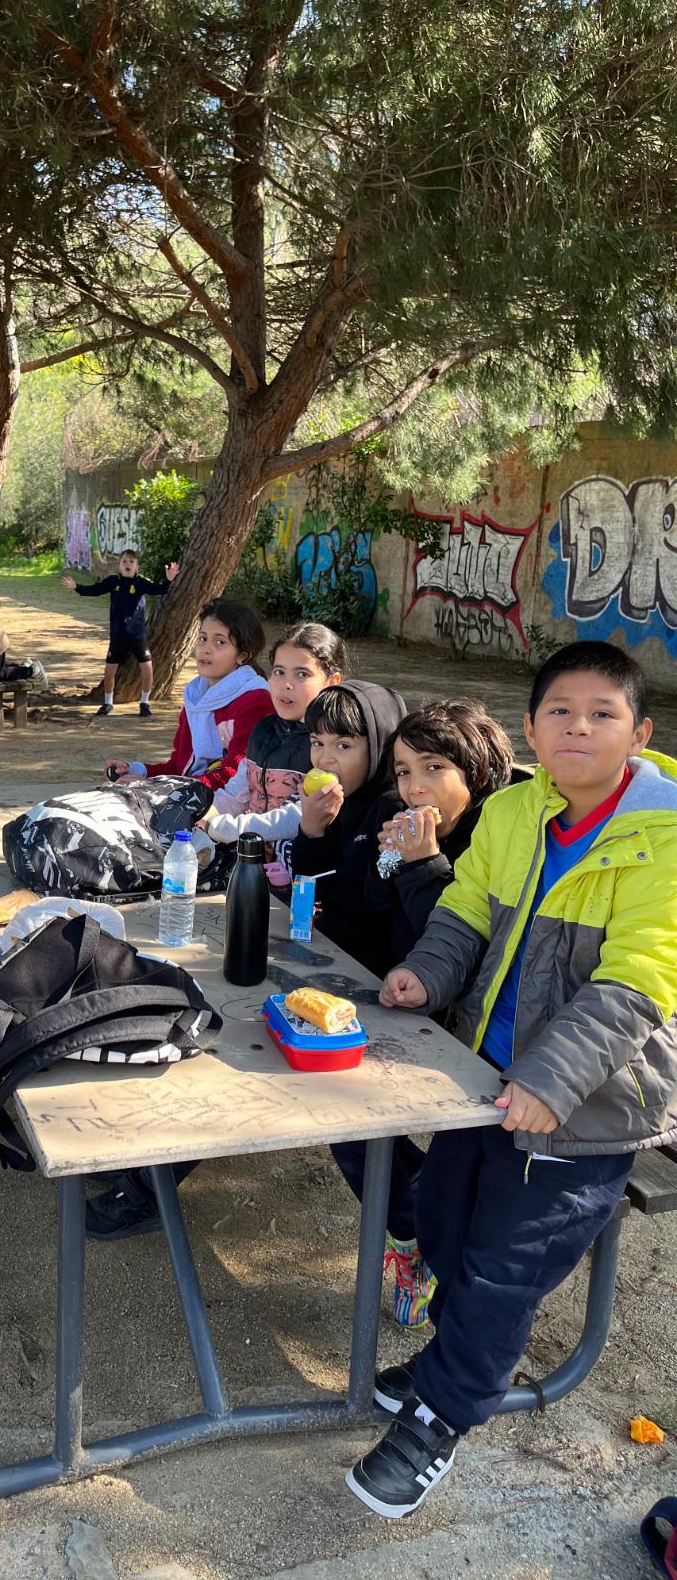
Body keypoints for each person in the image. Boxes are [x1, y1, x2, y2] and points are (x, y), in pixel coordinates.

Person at [346, 642, 677, 1520]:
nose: (579, 728)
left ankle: (441, 1415)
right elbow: (463, 911)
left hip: (587, 1103)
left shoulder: (667, 835)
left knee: (503, 1268)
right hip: (482, 1078)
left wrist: (552, 1079)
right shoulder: (516, 811)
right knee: (444, 1223)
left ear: (640, 733)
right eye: (560, 712)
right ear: (531, 728)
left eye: (603, 714)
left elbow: (640, 979)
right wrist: (424, 976)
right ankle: (453, 1358)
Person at [328, 699, 519, 1328]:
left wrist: (424, 866)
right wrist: (388, 863)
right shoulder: (408, 822)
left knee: (359, 1117)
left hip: (466, 1025)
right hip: (406, 1000)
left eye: (434, 768)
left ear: (478, 772)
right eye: (405, 771)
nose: (414, 787)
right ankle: (411, 1230)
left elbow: (463, 948)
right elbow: (386, 919)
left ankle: (423, 1234)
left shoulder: (499, 840)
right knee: (342, 1113)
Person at [207, 621, 349, 887]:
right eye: (279, 672)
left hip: (301, 878)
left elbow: (299, 815)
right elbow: (236, 794)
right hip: (247, 865)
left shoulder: (331, 745)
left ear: (332, 682)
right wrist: (207, 813)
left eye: (302, 674)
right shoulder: (263, 729)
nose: (286, 685)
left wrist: (227, 829)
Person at [287, 679, 407, 977]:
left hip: (374, 972)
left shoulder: (395, 811)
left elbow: (365, 910)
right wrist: (311, 832)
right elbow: (310, 891)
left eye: (343, 745)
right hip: (330, 952)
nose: (324, 759)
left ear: (381, 747)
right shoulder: (343, 798)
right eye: (317, 742)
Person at [103, 599, 272, 795]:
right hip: (189, 794)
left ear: (242, 656)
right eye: (202, 638)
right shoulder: (196, 697)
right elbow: (179, 767)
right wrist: (138, 771)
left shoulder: (256, 701)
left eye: (220, 642)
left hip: (229, 805)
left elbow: (236, 777)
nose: (206, 649)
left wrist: (158, 787)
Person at [62, 549, 179, 716]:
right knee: (109, 671)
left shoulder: (141, 582)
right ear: (119, 565)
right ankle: (108, 703)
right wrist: (76, 587)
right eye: (124, 561)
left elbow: (159, 589)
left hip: (137, 636)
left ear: (137, 567)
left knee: (147, 668)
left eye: (131, 562)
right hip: (118, 636)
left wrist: (168, 580)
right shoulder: (113, 581)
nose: (127, 564)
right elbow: (95, 590)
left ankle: (144, 703)